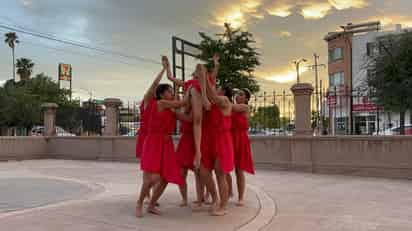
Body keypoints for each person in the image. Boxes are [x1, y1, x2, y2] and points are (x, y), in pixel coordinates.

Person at [136, 56, 190, 218]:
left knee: (166, 177)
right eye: (169, 91)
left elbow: (187, 118)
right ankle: (140, 203)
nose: (172, 93)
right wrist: (191, 88)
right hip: (153, 141)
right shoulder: (159, 103)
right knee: (151, 178)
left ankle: (151, 204)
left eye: (173, 91)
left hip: (166, 144)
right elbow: (180, 102)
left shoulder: (170, 109)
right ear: (161, 94)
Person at [200, 65, 236, 216]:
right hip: (211, 140)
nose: (217, 89)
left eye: (219, 88)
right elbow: (207, 97)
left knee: (220, 173)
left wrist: (205, 77)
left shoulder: (225, 101)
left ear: (224, 92)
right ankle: (217, 199)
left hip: (222, 140)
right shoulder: (215, 104)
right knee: (205, 170)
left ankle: (223, 205)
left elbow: (212, 96)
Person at [230, 88, 255, 206]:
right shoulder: (231, 108)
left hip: (241, 140)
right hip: (230, 138)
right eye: (237, 94)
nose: (237, 96)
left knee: (239, 170)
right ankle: (228, 190)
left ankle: (241, 197)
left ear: (246, 99)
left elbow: (232, 107)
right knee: (223, 168)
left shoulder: (245, 108)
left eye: (241, 95)